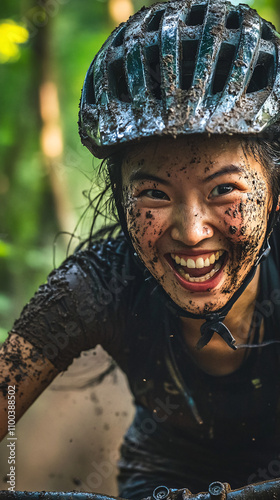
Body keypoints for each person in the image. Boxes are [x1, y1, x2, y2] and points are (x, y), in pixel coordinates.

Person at [1, 0, 280, 498]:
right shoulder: (95, 286)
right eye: (154, 193)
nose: (192, 232)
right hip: (158, 481)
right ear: (121, 200)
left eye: (224, 190)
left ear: (276, 192)